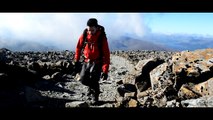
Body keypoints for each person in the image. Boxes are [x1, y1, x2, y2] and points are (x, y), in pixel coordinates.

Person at [73, 18, 110, 103]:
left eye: (92, 30)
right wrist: (76, 61)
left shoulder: (102, 37)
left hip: (97, 62)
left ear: (96, 27)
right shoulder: (85, 34)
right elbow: (78, 47)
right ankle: (92, 87)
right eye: (89, 30)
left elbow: (106, 54)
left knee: (94, 79)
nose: (90, 32)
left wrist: (105, 71)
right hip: (86, 61)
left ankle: (95, 97)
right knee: (82, 79)